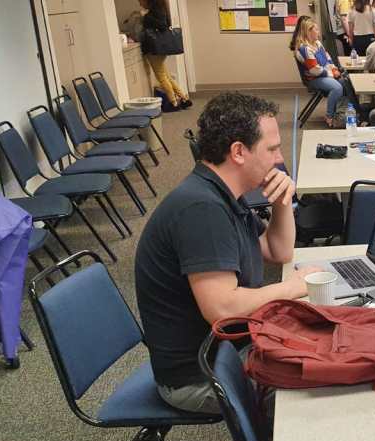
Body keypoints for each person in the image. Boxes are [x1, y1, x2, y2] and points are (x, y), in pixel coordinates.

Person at [135, 92, 322, 414]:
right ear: (238, 152)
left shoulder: (224, 192)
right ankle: (264, 439)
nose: (279, 159)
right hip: (201, 376)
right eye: (272, 149)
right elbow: (222, 308)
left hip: (227, 350)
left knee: (323, 347)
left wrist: (282, 203)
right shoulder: (202, 209)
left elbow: (277, 250)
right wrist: (293, 287)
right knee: (319, 388)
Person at [291, 16, 347, 128]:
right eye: (316, 29)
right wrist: (332, 74)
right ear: (308, 32)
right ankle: (329, 116)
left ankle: (340, 113)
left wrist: (334, 69)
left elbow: (328, 59)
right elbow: (314, 70)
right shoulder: (304, 49)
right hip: (314, 79)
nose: (318, 32)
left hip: (323, 75)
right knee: (337, 87)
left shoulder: (317, 43)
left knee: (344, 82)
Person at [139, 0, 191, 110]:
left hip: (155, 49)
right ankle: (183, 98)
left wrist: (145, 17)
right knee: (166, 76)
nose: (140, 4)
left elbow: (162, 26)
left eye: (140, 1)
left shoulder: (151, 14)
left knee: (161, 77)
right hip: (161, 49)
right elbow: (165, 25)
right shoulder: (162, 10)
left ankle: (173, 103)